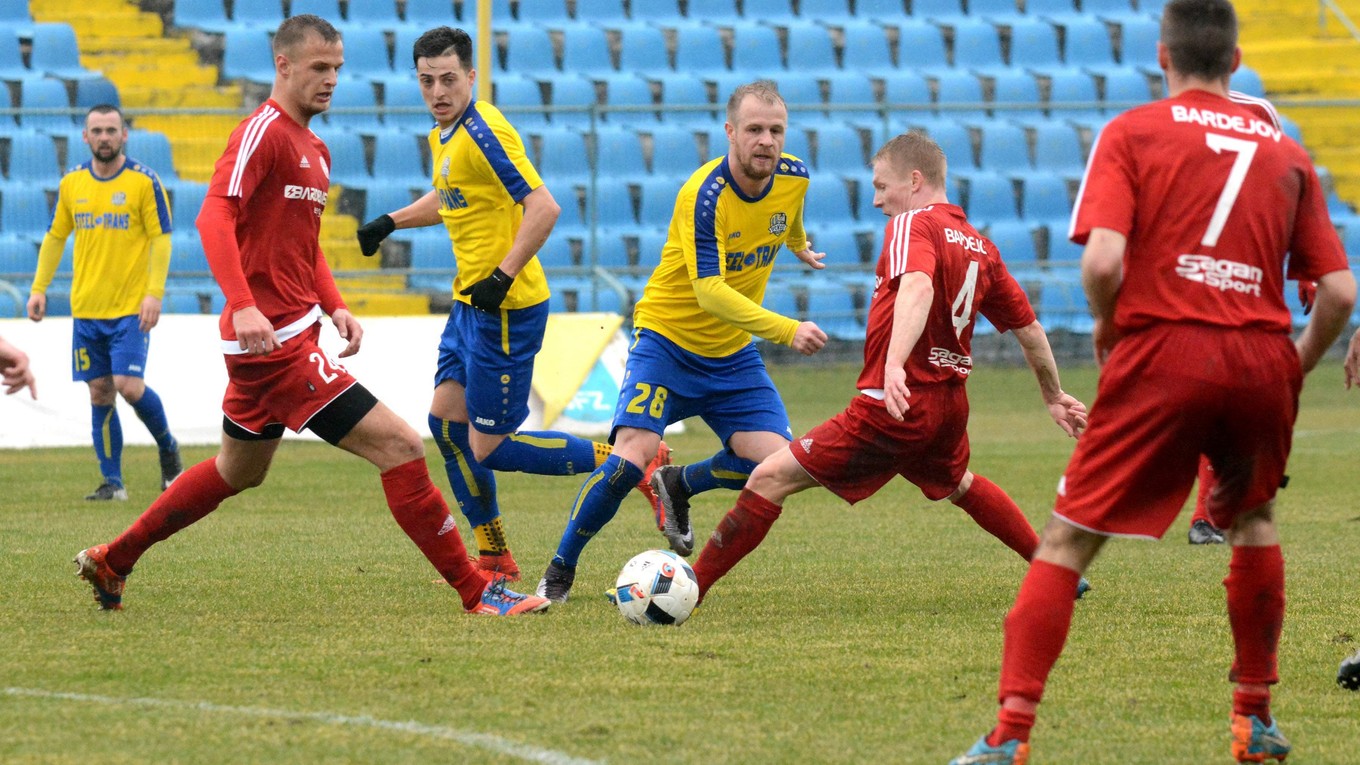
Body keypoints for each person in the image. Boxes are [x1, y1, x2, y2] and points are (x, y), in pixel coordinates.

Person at [950, 1, 1357, 762]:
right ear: (1237, 63)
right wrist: (1290, 366)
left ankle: (1010, 734)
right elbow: (1337, 293)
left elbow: (1103, 262)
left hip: (1165, 349)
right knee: (1253, 520)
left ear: (1162, 56)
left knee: (1069, 538)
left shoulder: (1132, 132)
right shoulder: (1286, 153)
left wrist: (1109, 328)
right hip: (1262, 357)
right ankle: (1253, 717)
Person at [73, 15, 548, 617]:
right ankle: (480, 594)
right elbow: (213, 217)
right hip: (274, 343)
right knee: (402, 446)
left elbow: (304, 247)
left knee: (236, 470)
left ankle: (113, 559)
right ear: (284, 66)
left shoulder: (315, 150)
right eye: (319, 68)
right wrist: (244, 305)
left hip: (283, 336)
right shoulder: (262, 132)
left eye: (338, 70)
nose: (330, 80)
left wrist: (336, 304)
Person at [680, 131, 1090, 611]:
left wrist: (893, 366)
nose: (875, 201)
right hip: (948, 404)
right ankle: (1052, 569)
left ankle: (686, 591)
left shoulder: (912, 225)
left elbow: (917, 286)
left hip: (895, 403)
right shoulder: (980, 245)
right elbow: (1029, 328)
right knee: (960, 484)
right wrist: (1053, 394)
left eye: (881, 186)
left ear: (914, 181)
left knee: (769, 477)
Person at [353, 26, 666, 583]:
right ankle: (494, 553)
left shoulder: (482, 131)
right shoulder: (443, 133)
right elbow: (455, 197)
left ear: (471, 77)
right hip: (470, 304)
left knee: (490, 445)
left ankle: (633, 461)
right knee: (447, 427)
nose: (438, 91)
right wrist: (391, 221)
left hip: (506, 307)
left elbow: (543, 207)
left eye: (449, 79)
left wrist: (504, 273)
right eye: (427, 81)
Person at [535, 80, 831, 603]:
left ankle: (680, 484)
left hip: (731, 356)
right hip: (667, 345)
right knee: (629, 459)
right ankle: (560, 570)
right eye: (755, 129)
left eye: (776, 130)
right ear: (730, 132)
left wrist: (797, 245)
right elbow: (711, 293)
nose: (767, 140)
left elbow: (786, 218)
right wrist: (787, 329)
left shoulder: (794, 177)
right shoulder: (703, 194)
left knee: (781, 464)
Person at [27, 104, 182, 501]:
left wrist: (154, 293)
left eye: (111, 130)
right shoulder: (72, 183)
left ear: (124, 135)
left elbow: (162, 239)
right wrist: (39, 287)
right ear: (85, 137)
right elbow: (55, 236)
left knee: (129, 386)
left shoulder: (144, 182)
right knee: (99, 391)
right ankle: (112, 483)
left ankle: (168, 449)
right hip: (87, 310)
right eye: (96, 131)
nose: (104, 138)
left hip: (130, 308)